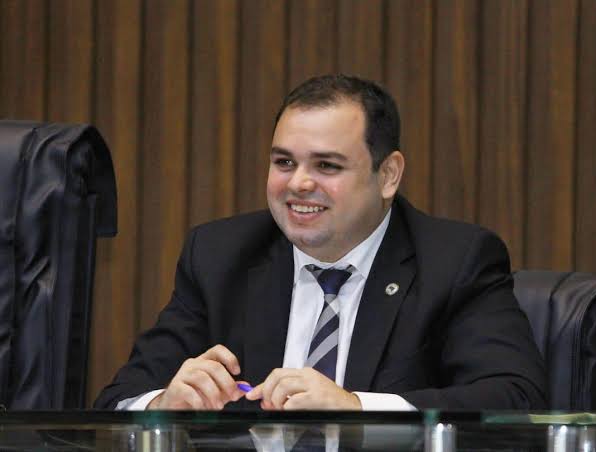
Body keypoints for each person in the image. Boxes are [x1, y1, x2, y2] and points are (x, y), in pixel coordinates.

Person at [95, 74, 547, 411]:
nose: (299, 184)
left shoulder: (454, 262)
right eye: (284, 162)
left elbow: (515, 398)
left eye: (327, 166)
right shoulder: (220, 255)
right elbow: (118, 400)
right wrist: (163, 403)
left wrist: (356, 408)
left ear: (388, 175)